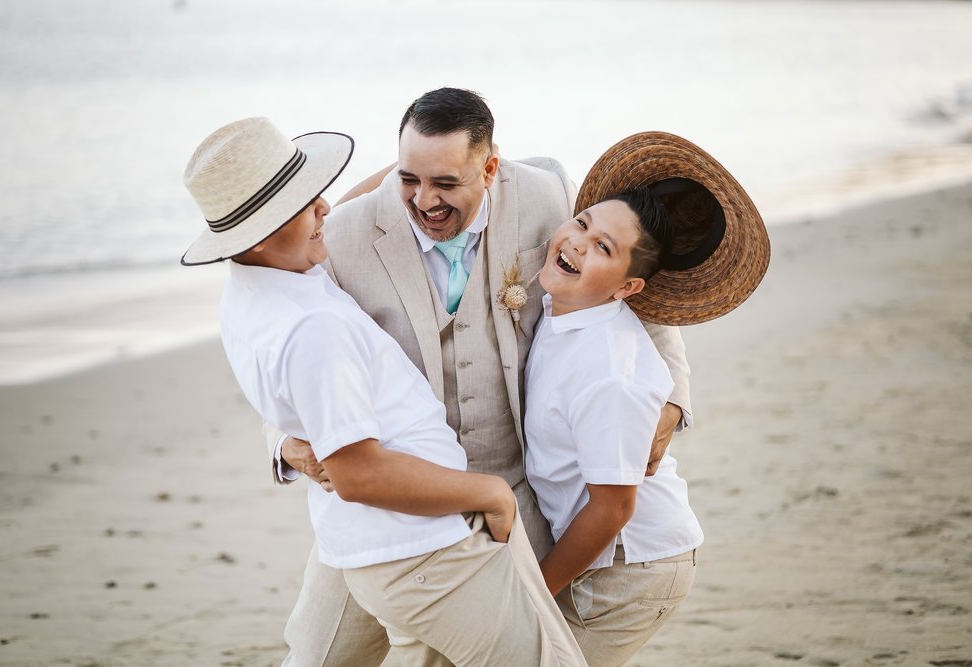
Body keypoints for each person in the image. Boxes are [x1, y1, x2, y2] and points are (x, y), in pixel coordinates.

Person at [268, 88, 694, 665]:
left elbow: (637, 286)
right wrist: (286, 442)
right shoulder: (343, 236)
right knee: (322, 655)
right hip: (386, 502)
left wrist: (672, 396)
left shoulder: (551, 198)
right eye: (408, 180)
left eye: (447, 184)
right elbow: (283, 336)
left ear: (489, 167)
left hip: (514, 496)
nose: (425, 202)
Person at [180, 117, 587, 666]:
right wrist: (488, 494)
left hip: (408, 531)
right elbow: (350, 463)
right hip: (420, 538)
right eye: (304, 201)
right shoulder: (318, 297)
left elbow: (630, 274)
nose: (324, 206)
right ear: (259, 232)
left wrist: (414, 170)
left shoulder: (259, 285)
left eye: (443, 180)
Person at [526, 132, 770, 665]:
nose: (576, 243)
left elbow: (614, 508)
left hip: (633, 567)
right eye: (583, 223)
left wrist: (535, 593)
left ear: (626, 290)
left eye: (603, 249)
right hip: (602, 551)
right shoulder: (562, 306)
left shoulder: (609, 370)